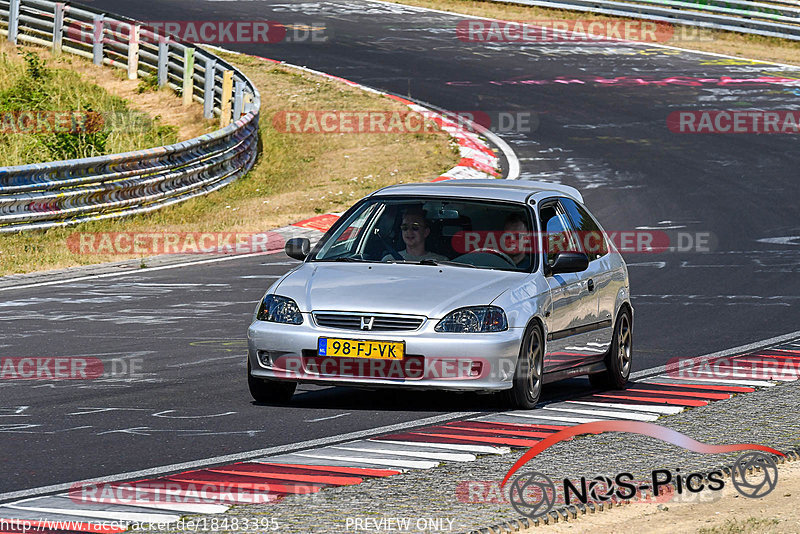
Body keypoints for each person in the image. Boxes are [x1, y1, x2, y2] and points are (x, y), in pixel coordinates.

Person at [382, 207, 447, 262]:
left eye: (415, 227)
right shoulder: (389, 260)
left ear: (426, 232)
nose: (409, 231)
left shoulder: (441, 262)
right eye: (405, 227)